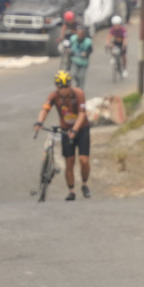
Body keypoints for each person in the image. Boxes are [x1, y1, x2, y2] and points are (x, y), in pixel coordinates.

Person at [35, 70, 90, 200]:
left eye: (66, 86)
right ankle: (71, 191)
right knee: (69, 161)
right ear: (56, 87)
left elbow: (82, 114)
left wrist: (75, 130)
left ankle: (84, 184)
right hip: (65, 130)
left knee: (84, 160)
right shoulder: (54, 96)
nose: (64, 90)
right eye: (61, 87)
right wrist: (39, 122)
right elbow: (45, 109)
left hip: (81, 129)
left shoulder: (78, 94)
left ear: (70, 85)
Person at [67, 22, 94, 90]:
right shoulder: (73, 39)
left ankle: (81, 89)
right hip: (74, 60)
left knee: (81, 76)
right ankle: (78, 83)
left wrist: (86, 53)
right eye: (78, 32)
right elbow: (69, 46)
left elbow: (90, 50)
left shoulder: (88, 42)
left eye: (81, 33)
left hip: (83, 62)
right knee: (74, 74)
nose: (79, 34)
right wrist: (69, 50)